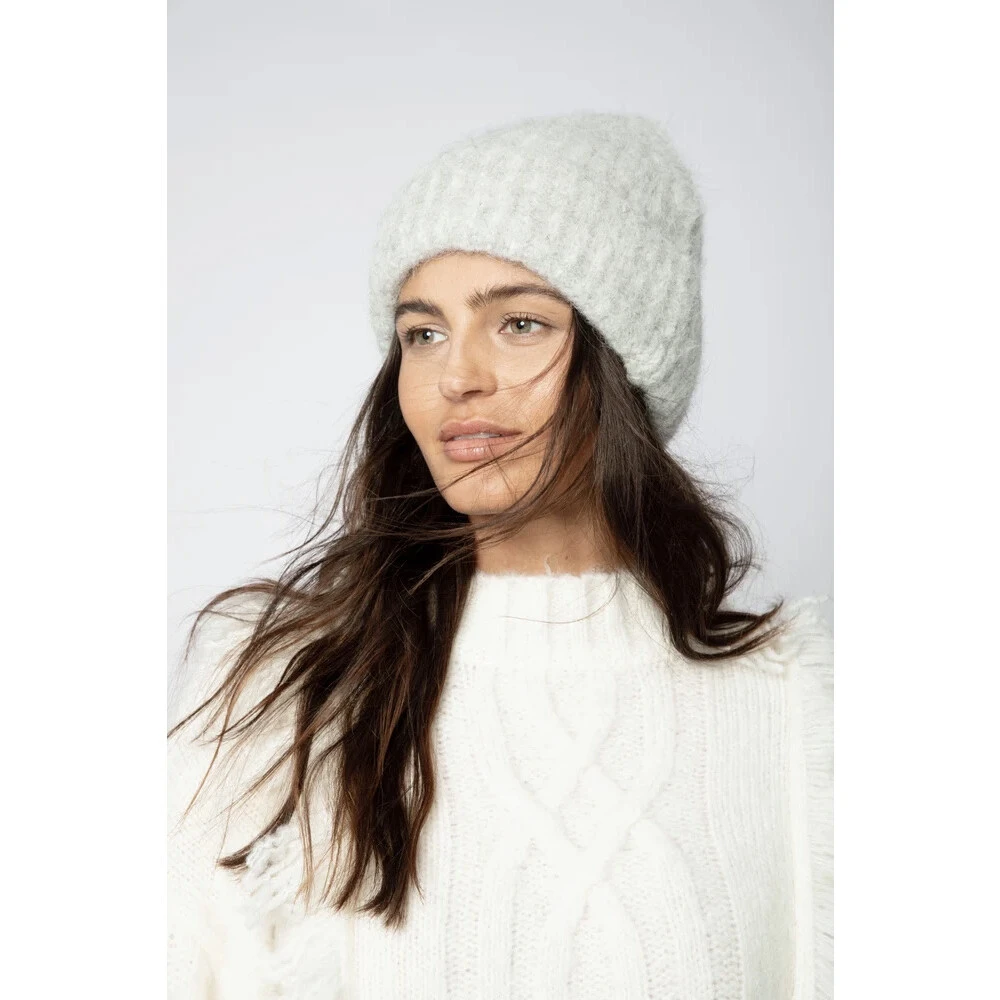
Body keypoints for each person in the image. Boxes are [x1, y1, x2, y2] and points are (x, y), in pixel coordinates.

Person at [167, 110, 833, 999]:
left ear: (624, 362)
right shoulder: (280, 685)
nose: (457, 377)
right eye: (423, 333)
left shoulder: (797, 707)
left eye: (518, 323)